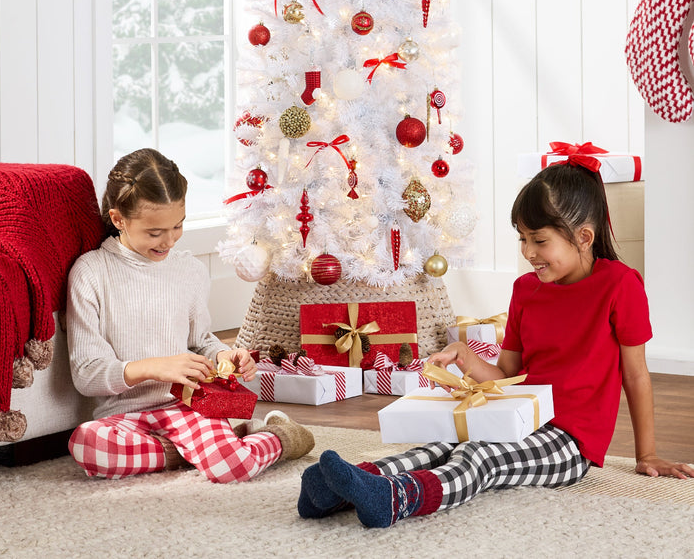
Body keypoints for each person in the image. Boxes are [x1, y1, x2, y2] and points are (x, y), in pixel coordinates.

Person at [298, 157, 694, 527]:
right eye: (522, 239)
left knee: (478, 456)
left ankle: (396, 499)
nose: (528, 252)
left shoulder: (620, 285)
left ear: (584, 237)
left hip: (571, 443)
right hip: (517, 415)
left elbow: (637, 375)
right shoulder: (525, 290)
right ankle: (339, 489)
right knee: (441, 445)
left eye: (539, 241)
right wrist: (465, 356)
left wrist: (646, 454)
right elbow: (506, 374)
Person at [67, 148, 314, 482]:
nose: (169, 240)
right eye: (155, 232)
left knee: (232, 468)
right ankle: (195, 452)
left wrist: (226, 356)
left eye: (178, 226)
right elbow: (86, 373)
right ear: (118, 219)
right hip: (124, 417)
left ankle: (281, 435)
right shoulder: (91, 272)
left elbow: (201, 342)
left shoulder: (188, 270)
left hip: (185, 408)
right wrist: (156, 367)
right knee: (88, 445)